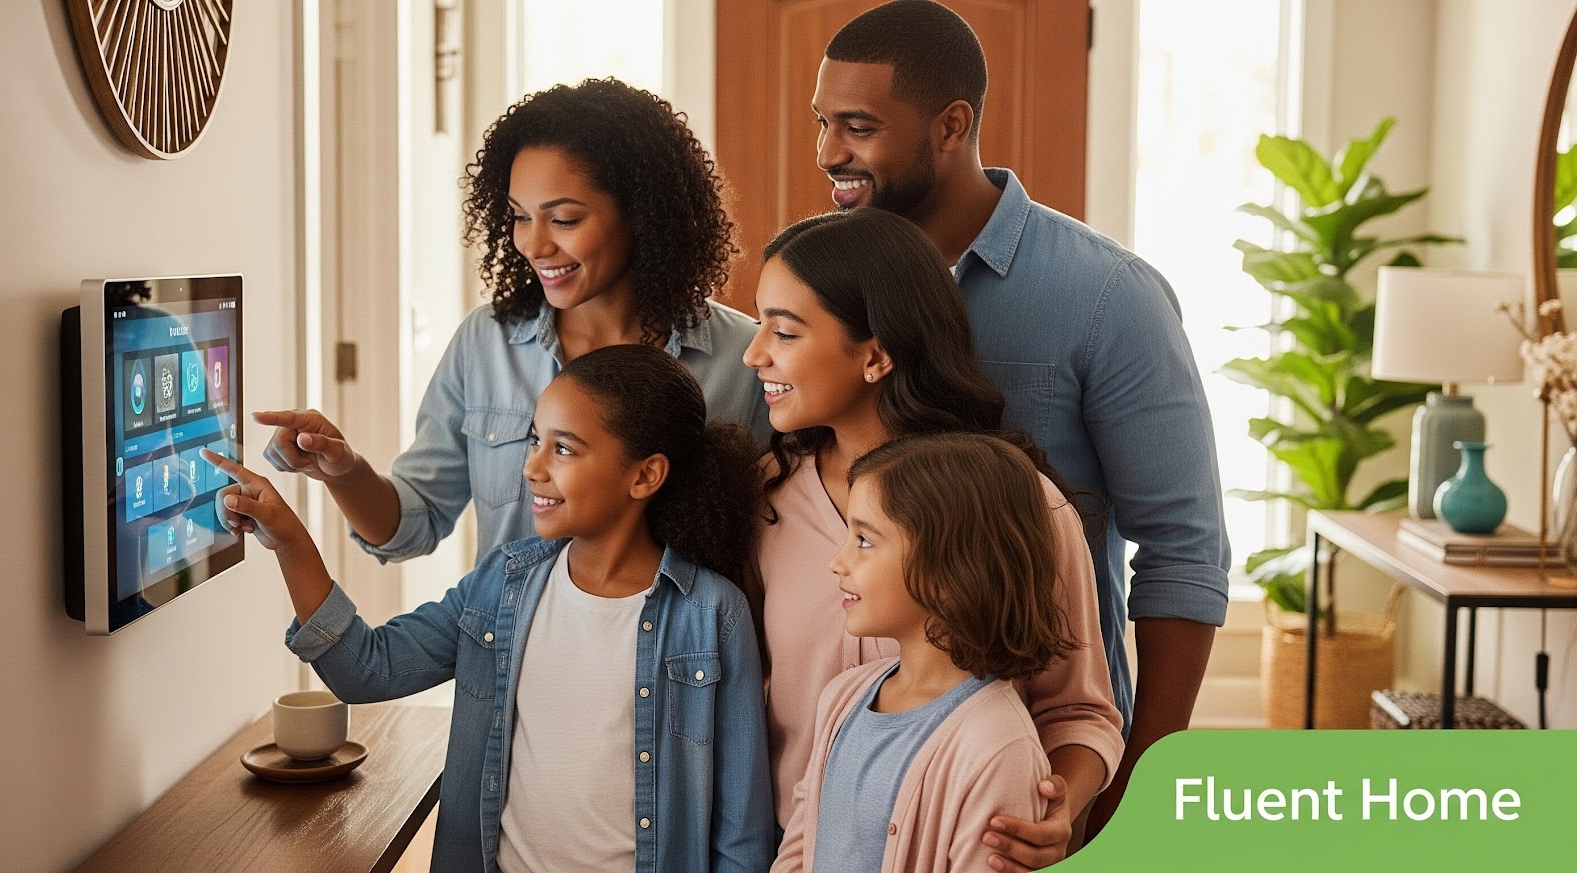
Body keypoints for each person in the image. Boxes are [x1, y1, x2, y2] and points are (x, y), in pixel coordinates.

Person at [813, 0, 1231, 844]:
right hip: (845, 762)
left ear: (951, 125)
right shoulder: (822, 278)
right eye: (822, 123)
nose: (828, 153)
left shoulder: (1109, 298)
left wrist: (1135, 790)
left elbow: (1183, 552)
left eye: (858, 127)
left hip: (1037, 773)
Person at [205, 344, 775, 872]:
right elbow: (367, 668)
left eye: (563, 448)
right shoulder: (504, 584)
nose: (532, 467)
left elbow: (741, 834)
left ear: (645, 475)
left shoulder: (712, 615)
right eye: (534, 440)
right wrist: (289, 541)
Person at [254, 77, 767, 566]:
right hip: (506, 635)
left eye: (564, 220)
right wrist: (343, 472)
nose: (534, 245)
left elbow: (769, 543)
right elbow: (413, 523)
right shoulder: (486, 343)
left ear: (643, 213)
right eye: (520, 216)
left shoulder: (745, 358)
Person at [745, 209, 1121, 870]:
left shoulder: (1018, 503)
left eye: (784, 330)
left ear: (875, 355)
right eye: (758, 325)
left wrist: (1058, 806)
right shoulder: (764, 500)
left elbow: (1081, 711)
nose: (754, 354)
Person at [774, 433, 1075, 873]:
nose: (837, 561)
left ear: (953, 568)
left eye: (864, 540)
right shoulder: (841, 698)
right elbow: (798, 851)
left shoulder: (996, 747)